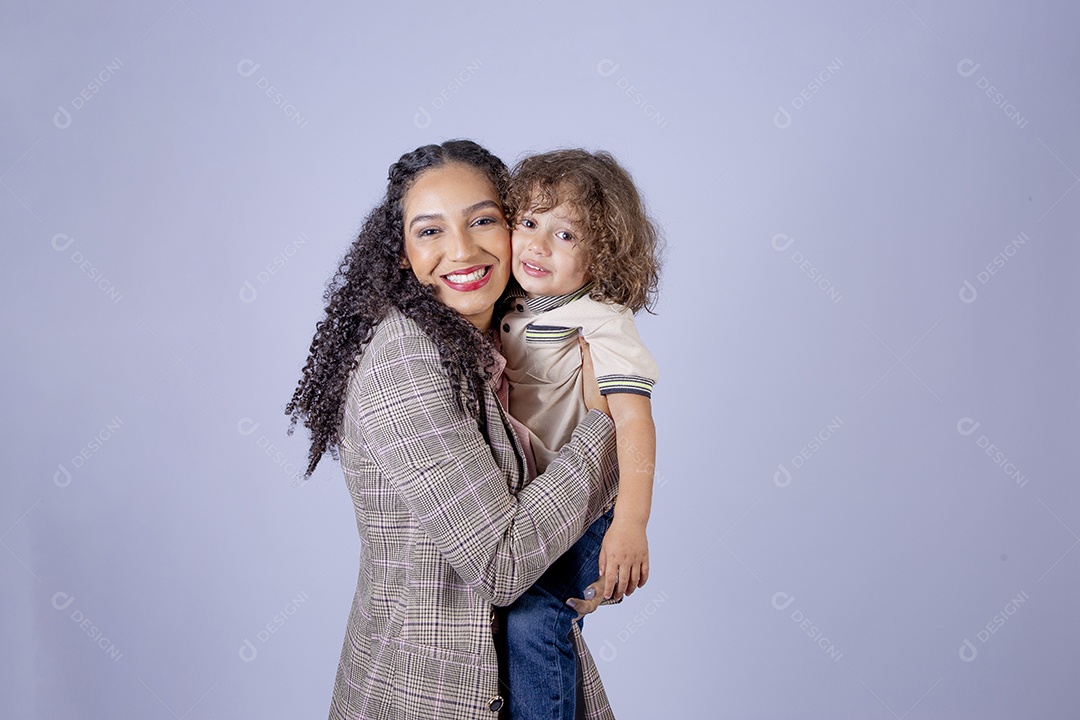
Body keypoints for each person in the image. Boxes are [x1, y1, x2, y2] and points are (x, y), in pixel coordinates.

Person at [285, 140, 623, 720]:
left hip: (521, 671)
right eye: (430, 231)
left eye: (483, 220)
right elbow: (502, 563)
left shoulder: (513, 342)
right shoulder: (406, 362)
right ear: (400, 253)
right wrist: (602, 423)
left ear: (515, 227)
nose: (462, 250)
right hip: (436, 691)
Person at [499, 149, 661, 720]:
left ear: (603, 254)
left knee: (534, 617)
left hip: (589, 513)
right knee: (506, 615)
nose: (538, 245)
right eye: (529, 222)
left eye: (565, 235)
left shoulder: (601, 319)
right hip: (533, 507)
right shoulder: (507, 303)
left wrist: (630, 525)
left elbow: (635, 422)